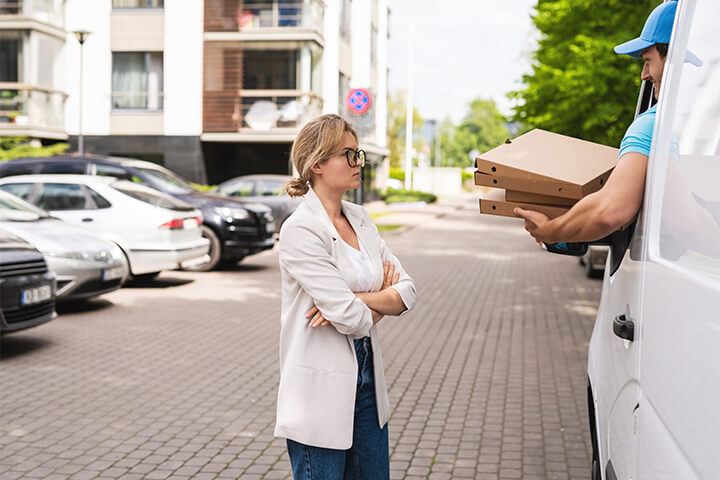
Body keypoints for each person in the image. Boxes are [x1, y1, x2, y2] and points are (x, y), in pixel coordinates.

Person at [275, 113, 417, 479]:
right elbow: (351, 319)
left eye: (359, 154)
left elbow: (408, 291)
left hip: (367, 372)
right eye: (348, 155)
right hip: (319, 385)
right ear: (318, 163)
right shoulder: (301, 230)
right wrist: (379, 295)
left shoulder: (361, 217)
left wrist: (357, 297)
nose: (358, 164)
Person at [514, 1, 701, 244]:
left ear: (673, 58)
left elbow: (609, 210)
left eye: (648, 60)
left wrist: (549, 231)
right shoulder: (699, 127)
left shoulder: (654, 126)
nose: (644, 74)